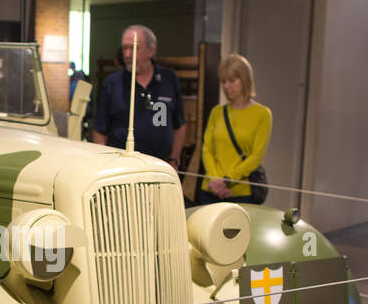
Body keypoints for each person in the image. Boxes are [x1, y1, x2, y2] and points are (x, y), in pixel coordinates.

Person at [90, 25, 185, 169]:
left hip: (161, 167)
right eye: (124, 48)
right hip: (121, 168)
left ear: (150, 50)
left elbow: (179, 125)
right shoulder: (113, 83)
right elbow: (99, 131)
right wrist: (104, 165)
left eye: (134, 48)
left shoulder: (169, 79)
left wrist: (174, 160)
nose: (127, 54)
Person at [195, 53, 272, 205]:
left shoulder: (262, 114)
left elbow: (255, 157)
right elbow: (207, 150)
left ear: (244, 80)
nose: (226, 86)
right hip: (210, 189)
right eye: (223, 81)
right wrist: (216, 180)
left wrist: (227, 180)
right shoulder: (217, 112)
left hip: (240, 192)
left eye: (232, 80)